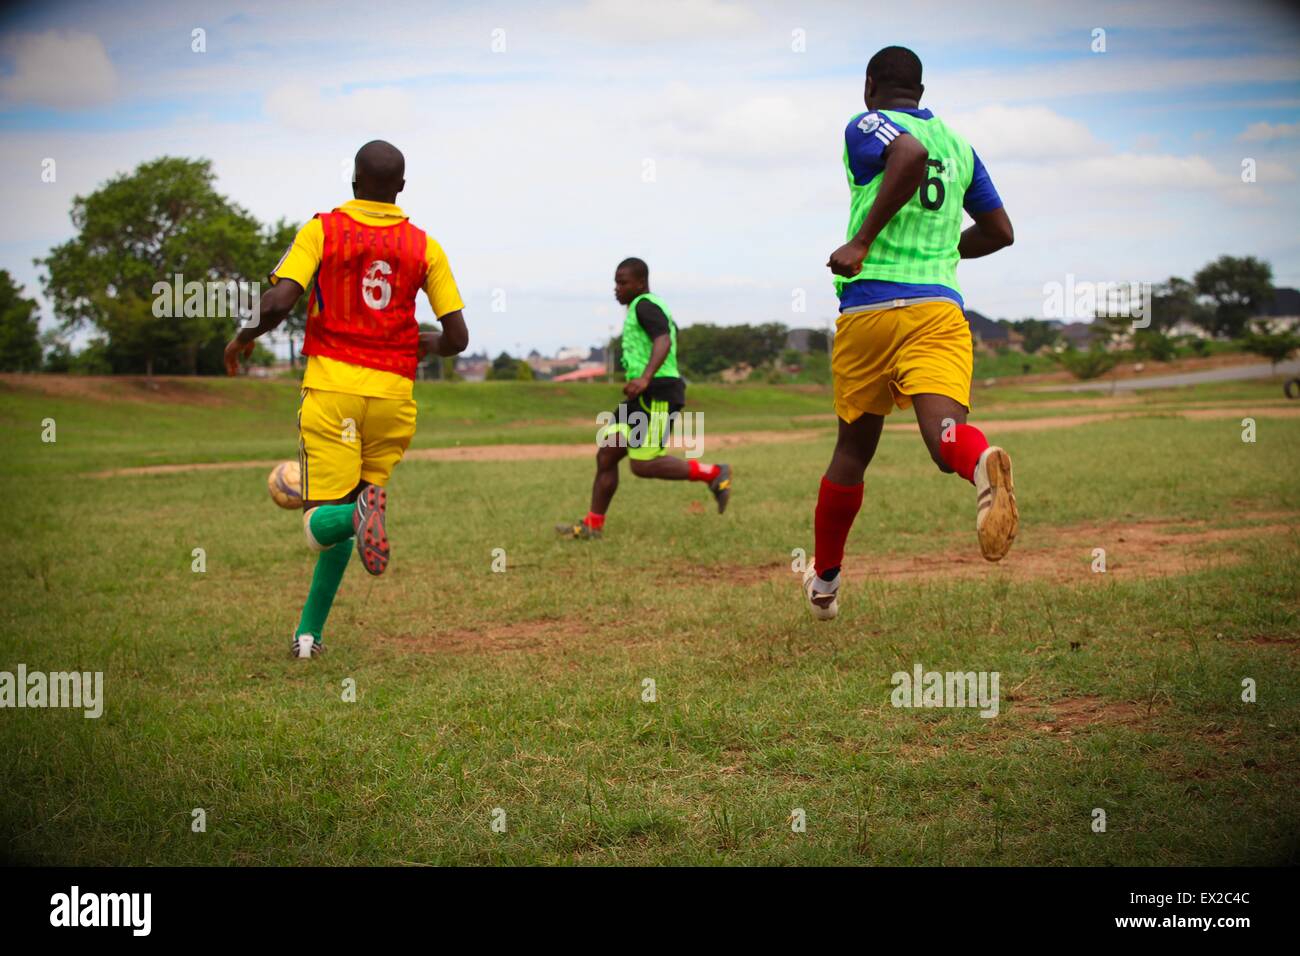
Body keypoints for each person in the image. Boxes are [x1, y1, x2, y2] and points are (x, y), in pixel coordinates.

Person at [224, 140, 469, 657]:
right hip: (393, 399)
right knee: (355, 506)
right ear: (401, 187)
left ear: (353, 181)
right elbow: (457, 339)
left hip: (334, 392)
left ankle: (358, 516)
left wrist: (242, 337)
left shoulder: (322, 229)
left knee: (320, 523)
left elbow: (279, 301)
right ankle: (308, 635)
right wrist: (426, 342)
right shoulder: (425, 247)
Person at [805, 46, 1018, 621]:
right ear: (920, 89)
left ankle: (825, 583)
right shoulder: (961, 144)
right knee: (946, 435)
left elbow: (908, 153)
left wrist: (862, 242)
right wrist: (944, 250)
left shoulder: (866, 125)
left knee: (852, 451)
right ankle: (981, 466)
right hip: (937, 310)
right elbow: (999, 231)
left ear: (870, 84)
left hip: (871, 310)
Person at [556, 257, 730, 539]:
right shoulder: (645, 307)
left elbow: (664, 340)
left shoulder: (645, 305)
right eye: (615, 282)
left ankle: (714, 473)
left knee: (643, 464)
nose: (617, 288)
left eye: (623, 283)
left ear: (641, 282)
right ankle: (592, 525)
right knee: (607, 453)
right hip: (641, 395)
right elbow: (667, 335)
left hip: (658, 393)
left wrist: (646, 377)